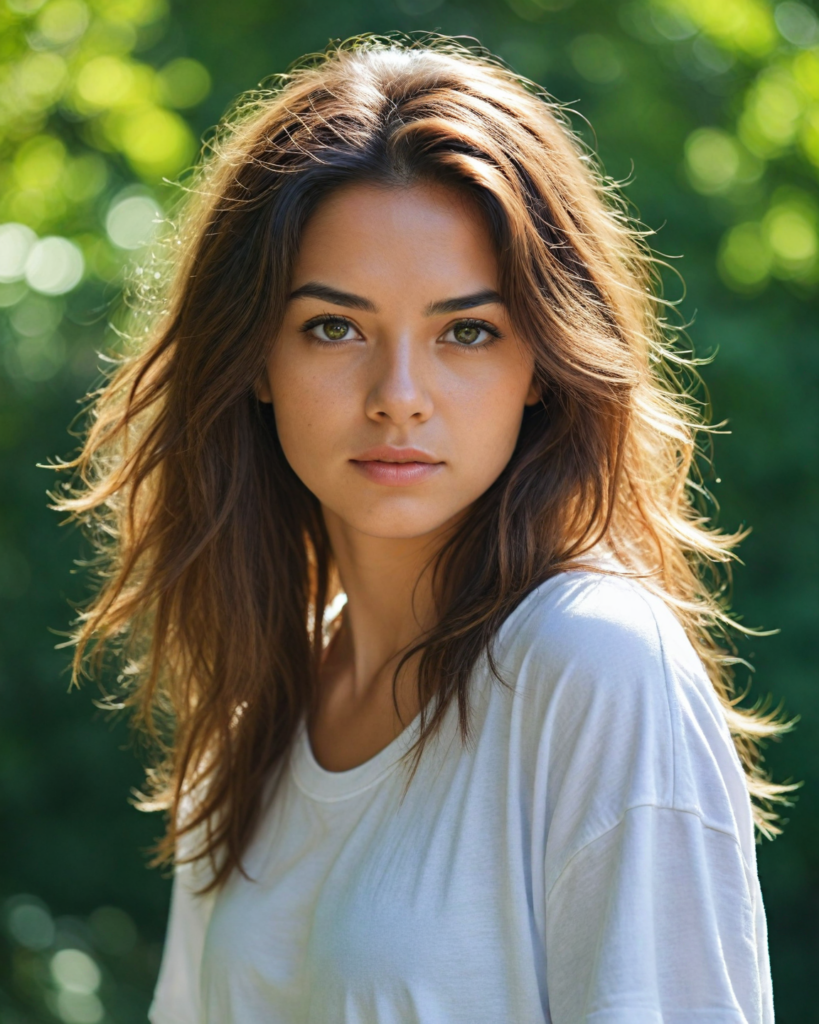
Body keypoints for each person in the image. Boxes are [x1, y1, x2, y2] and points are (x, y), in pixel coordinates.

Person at [58, 36, 786, 1024]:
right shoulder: (263, 711)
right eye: (334, 327)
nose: (399, 397)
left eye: (467, 332)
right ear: (255, 361)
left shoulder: (595, 665)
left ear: (543, 362)